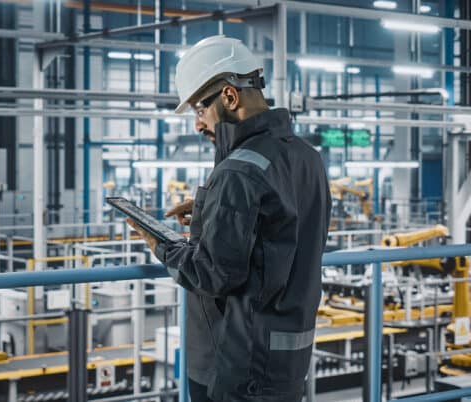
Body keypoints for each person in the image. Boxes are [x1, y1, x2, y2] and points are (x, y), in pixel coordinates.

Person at [127, 35, 331, 402]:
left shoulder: (238, 172)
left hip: (239, 364)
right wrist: (211, 208)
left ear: (230, 97)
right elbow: (279, 225)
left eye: (199, 109)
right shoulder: (307, 157)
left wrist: (159, 242)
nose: (197, 124)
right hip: (287, 357)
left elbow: (213, 274)